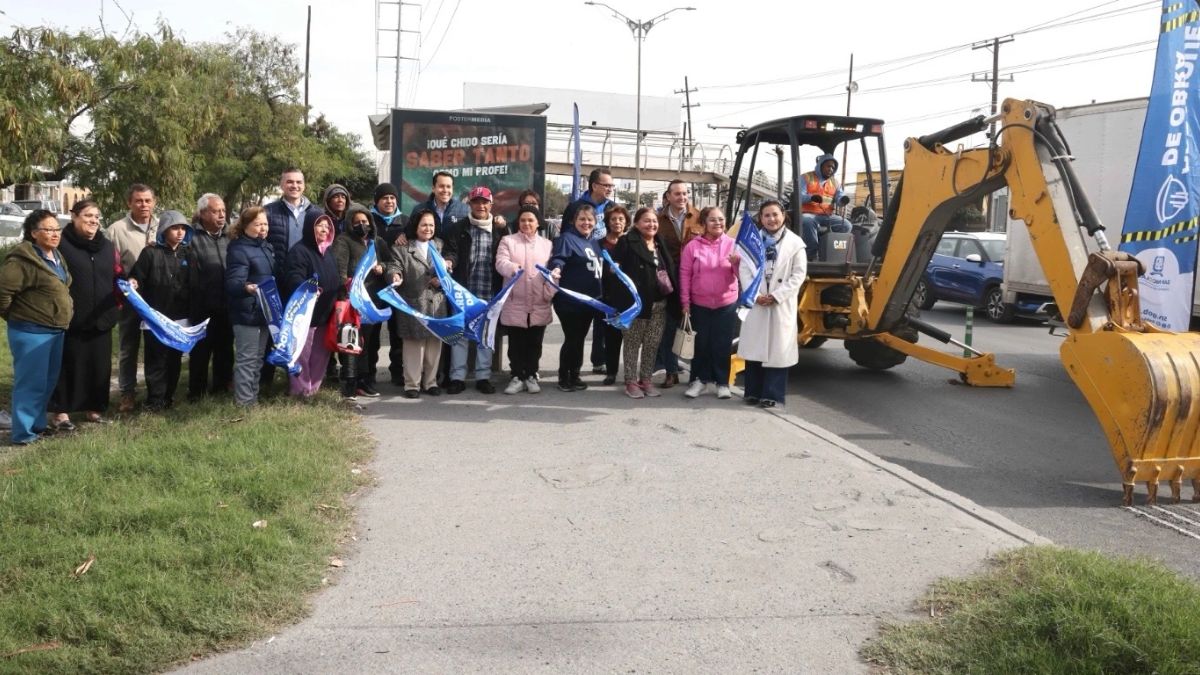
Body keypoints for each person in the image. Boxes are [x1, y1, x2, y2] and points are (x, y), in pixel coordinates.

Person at [0, 210, 72, 445]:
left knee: (46, 382)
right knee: (30, 383)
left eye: (56, 229)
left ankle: (37, 425)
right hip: (31, 331)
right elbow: (3, 292)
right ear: (33, 233)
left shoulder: (55, 256)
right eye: (48, 230)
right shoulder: (21, 260)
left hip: (55, 329)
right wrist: (16, 315)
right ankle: (23, 434)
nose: (54, 234)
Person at [49, 199, 119, 429]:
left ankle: (94, 409)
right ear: (74, 217)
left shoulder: (107, 247)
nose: (93, 221)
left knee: (99, 366)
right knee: (68, 365)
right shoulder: (61, 244)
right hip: (71, 319)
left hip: (102, 317)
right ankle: (61, 413)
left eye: (97, 217)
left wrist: (129, 283)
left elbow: (118, 274)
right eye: (88, 215)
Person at [738, 200, 807, 408]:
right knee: (755, 349)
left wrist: (777, 296)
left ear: (783, 215)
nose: (771, 219)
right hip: (757, 302)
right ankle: (752, 392)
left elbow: (798, 275)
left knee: (777, 352)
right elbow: (744, 269)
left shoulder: (796, 244)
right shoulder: (751, 241)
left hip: (780, 304)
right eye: (766, 215)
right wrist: (755, 295)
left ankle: (772, 395)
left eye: (775, 214)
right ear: (761, 218)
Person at [443, 186, 508, 394]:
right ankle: (457, 377)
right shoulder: (459, 228)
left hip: (490, 291)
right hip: (463, 292)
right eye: (476, 202)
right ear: (469, 204)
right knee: (460, 336)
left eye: (484, 202)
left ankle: (483, 376)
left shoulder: (500, 229)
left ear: (491, 204)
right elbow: (451, 251)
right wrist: (449, 261)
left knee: (485, 337)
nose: (480, 206)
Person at [129, 210, 193, 411]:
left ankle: (169, 397)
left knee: (174, 359)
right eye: (175, 228)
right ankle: (155, 399)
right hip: (155, 317)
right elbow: (136, 276)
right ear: (164, 230)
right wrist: (133, 281)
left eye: (183, 228)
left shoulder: (188, 253)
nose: (180, 232)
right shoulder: (150, 253)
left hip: (179, 318)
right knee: (156, 359)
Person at [611, 207, 677, 399]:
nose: (652, 224)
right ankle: (631, 382)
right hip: (635, 305)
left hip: (660, 303)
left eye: (654, 221)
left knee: (652, 344)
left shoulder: (659, 242)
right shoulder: (626, 241)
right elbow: (614, 269)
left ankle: (646, 380)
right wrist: (614, 270)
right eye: (647, 221)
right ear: (637, 223)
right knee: (632, 344)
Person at [680, 206, 739, 400]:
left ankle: (722, 383)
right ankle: (700, 380)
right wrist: (685, 302)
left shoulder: (733, 245)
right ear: (704, 223)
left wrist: (736, 264)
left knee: (722, 344)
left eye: (721, 219)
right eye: (713, 220)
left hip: (726, 303)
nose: (718, 223)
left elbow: (744, 277)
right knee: (701, 344)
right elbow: (685, 274)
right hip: (700, 303)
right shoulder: (692, 246)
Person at [495, 205, 555, 395]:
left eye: (531, 220)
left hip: (539, 301)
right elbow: (500, 262)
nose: (527, 223)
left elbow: (552, 272)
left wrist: (550, 290)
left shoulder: (547, 244)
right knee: (516, 343)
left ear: (538, 223)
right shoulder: (508, 241)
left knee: (535, 343)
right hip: (515, 302)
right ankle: (517, 376)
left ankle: (531, 374)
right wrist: (512, 267)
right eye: (523, 220)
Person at [386, 209, 446, 399]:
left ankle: (431, 382)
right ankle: (411, 384)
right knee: (413, 346)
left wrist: (441, 279)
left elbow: (447, 270)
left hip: (436, 304)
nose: (428, 229)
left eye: (431, 225)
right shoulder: (402, 248)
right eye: (424, 225)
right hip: (413, 304)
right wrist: (394, 275)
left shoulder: (439, 245)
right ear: (415, 226)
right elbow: (393, 266)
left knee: (433, 346)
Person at [107, 183, 156, 412]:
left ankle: (157, 389)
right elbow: (111, 266)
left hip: (158, 299)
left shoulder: (162, 225)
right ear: (129, 203)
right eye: (138, 200)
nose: (143, 205)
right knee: (128, 347)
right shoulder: (117, 230)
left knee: (157, 346)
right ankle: (127, 393)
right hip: (130, 299)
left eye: (147, 200)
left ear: (153, 202)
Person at [281, 211, 341, 398]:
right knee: (302, 355)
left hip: (325, 313)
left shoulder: (328, 251)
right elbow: (294, 277)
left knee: (320, 355)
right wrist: (310, 288)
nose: (324, 229)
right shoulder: (299, 251)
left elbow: (334, 276)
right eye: (319, 225)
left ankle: (313, 389)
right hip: (305, 315)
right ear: (309, 228)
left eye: (327, 226)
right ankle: (300, 391)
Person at [333, 202, 389, 399]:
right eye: (357, 222)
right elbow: (340, 270)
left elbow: (388, 263)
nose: (362, 225)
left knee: (367, 343)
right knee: (351, 343)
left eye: (365, 221)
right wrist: (346, 289)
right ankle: (349, 383)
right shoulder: (343, 241)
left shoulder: (377, 242)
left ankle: (364, 381)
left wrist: (382, 266)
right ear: (350, 223)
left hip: (371, 302)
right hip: (352, 301)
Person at [549, 203, 604, 392]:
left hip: (589, 301)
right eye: (582, 219)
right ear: (574, 220)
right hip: (569, 301)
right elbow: (558, 259)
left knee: (579, 339)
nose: (586, 223)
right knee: (573, 338)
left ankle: (575, 374)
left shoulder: (594, 243)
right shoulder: (567, 238)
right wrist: (556, 268)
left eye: (590, 219)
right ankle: (564, 376)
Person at [225, 207, 275, 407]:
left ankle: (252, 398)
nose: (263, 228)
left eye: (265, 223)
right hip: (247, 312)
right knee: (247, 359)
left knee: (258, 358)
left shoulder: (266, 247)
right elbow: (232, 282)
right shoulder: (238, 249)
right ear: (246, 226)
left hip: (264, 312)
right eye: (257, 224)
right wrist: (246, 287)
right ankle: (244, 403)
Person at [655, 179, 703, 388]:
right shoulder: (658, 220)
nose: (682, 198)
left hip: (697, 280)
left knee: (698, 329)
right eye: (677, 194)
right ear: (668, 196)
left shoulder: (700, 218)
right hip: (669, 282)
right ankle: (671, 371)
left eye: (685, 193)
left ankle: (698, 375)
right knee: (669, 329)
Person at [186, 193, 233, 401]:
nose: (221, 215)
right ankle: (197, 392)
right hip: (201, 305)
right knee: (200, 352)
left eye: (223, 211)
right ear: (203, 213)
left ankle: (222, 386)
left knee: (225, 348)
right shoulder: (191, 238)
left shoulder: (231, 236)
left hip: (227, 304)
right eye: (216, 211)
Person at [371, 182, 408, 386]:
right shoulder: (369, 221)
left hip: (397, 286)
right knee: (373, 331)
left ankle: (397, 372)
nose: (389, 201)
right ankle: (369, 371)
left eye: (392, 198)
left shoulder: (405, 221)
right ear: (377, 201)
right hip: (372, 286)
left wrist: (406, 235)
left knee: (397, 331)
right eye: (385, 198)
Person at [799, 153, 852, 261]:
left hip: (827, 215)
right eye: (828, 166)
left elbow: (839, 196)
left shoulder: (835, 182)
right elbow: (799, 196)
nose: (831, 169)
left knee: (846, 225)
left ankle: (831, 252)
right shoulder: (806, 177)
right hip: (808, 213)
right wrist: (811, 197)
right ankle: (811, 255)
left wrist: (842, 200)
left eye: (833, 167)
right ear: (820, 165)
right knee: (808, 221)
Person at [598, 204, 629, 385]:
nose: (617, 222)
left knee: (631, 337)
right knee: (611, 336)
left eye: (621, 219)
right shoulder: (600, 244)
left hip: (629, 296)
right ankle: (611, 371)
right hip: (608, 296)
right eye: (613, 219)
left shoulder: (632, 241)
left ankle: (631, 373)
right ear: (608, 222)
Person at [265, 168, 315, 275]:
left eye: (299, 182)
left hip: (307, 276)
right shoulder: (267, 212)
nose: (294, 185)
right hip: (277, 276)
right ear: (281, 185)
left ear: (304, 186)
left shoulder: (316, 213)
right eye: (289, 182)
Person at [565, 168, 615, 241]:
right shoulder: (574, 207)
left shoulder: (613, 207)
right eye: (606, 185)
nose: (610, 189)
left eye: (611, 186)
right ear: (594, 186)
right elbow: (566, 236)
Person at [419, 171, 470, 238]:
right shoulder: (419, 210)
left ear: (452, 189)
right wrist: (402, 234)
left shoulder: (465, 210)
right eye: (441, 186)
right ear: (433, 189)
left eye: (448, 187)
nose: (445, 190)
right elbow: (410, 233)